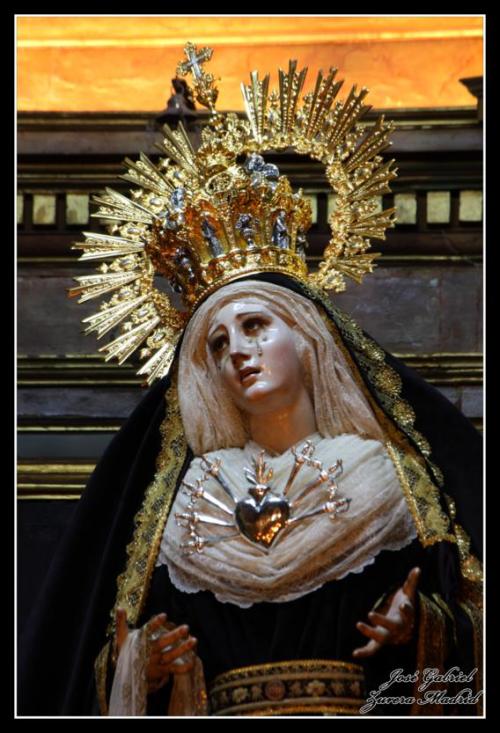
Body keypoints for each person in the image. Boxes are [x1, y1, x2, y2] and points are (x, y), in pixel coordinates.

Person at [18, 43, 483, 717]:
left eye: (257, 325)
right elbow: (94, 662)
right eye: (217, 343)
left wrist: (427, 631)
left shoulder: (392, 479)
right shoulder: (180, 505)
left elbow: (470, 621)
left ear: (309, 337)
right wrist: (142, 664)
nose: (238, 350)